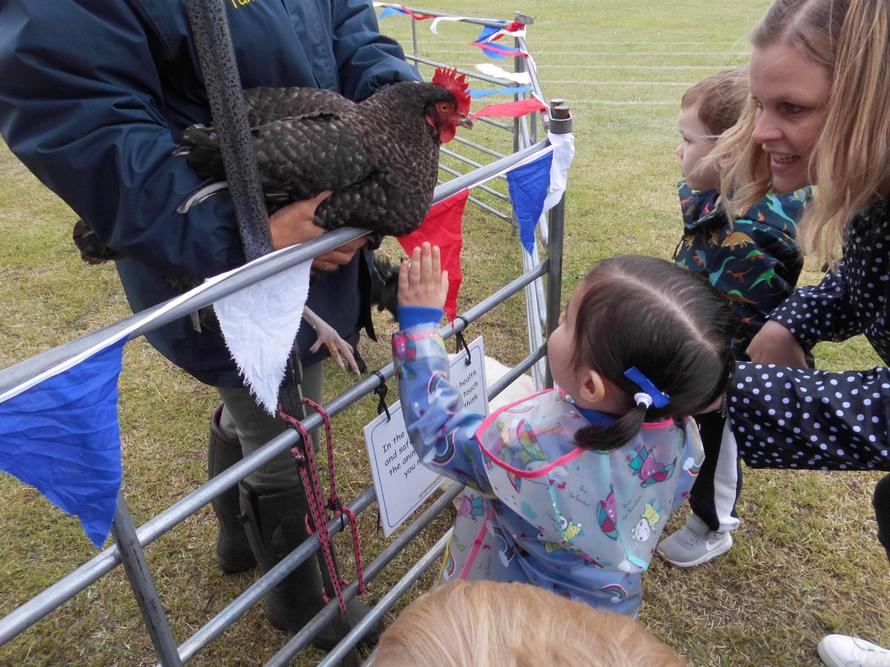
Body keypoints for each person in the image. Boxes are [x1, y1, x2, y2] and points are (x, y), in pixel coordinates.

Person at [0, 0, 419, 649]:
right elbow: (79, 109)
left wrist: (400, 115)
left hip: (305, 217)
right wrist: (241, 233)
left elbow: (349, 29)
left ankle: (236, 529)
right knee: (284, 431)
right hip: (211, 244)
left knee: (261, 406)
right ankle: (299, 602)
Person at [392, 244, 734, 617]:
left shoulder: (531, 451)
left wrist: (421, 330)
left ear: (590, 386)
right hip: (602, 619)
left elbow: (440, 435)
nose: (558, 317)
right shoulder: (681, 435)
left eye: (568, 321)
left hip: (512, 613)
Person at [704, 0, 890, 664]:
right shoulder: (876, 189)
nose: (760, 131)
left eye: (793, 108)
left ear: (871, 104)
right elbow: (870, 278)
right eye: (761, 104)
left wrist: (732, 389)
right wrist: (793, 319)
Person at [658, 68, 812, 567]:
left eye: (687, 140)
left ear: (731, 149)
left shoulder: (754, 230)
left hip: (725, 370)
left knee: (716, 441)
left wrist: (712, 376)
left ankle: (712, 524)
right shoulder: (717, 197)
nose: (678, 151)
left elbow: (743, 318)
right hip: (698, 342)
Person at [369, 579, 687, 667]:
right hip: (610, 591)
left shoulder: (533, 456)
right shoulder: (671, 447)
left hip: (521, 569)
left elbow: (451, 450)